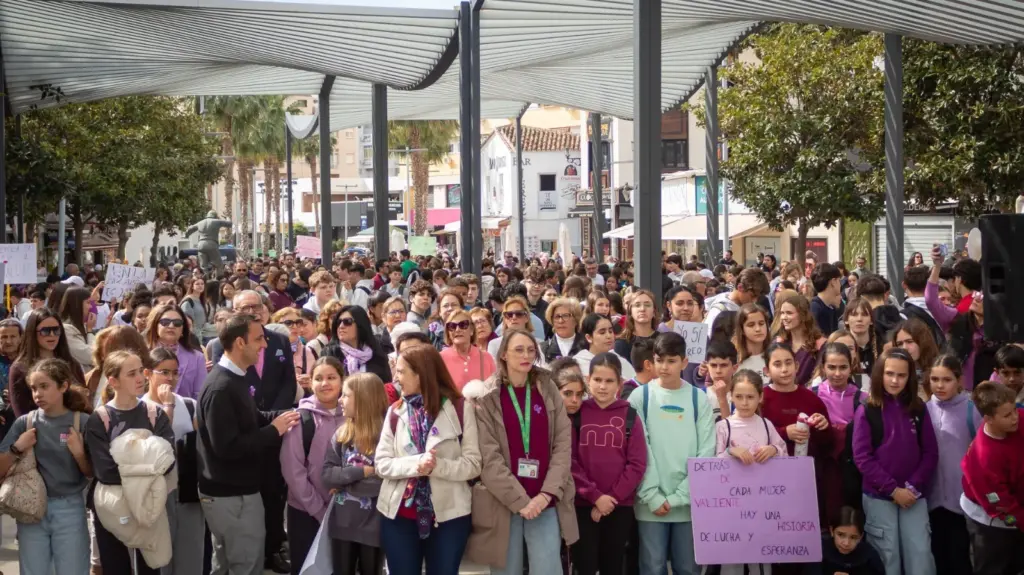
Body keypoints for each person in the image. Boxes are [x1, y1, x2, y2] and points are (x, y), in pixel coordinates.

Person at [463, 329, 578, 575]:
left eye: (530, 350)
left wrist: (545, 495)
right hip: (504, 502)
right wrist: (522, 502)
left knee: (548, 570)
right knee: (507, 570)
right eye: (518, 350)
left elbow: (562, 444)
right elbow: (489, 458)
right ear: (503, 354)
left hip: (544, 500)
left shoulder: (547, 388)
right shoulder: (487, 397)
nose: (526, 355)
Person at [197, 314, 301, 575]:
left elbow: (252, 419)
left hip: (233, 494)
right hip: (232, 496)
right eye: (258, 339)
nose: (264, 345)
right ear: (240, 343)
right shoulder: (221, 387)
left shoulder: (235, 378)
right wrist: (273, 432)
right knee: (246, 566)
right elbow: (228, 448)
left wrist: (284, 417)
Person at [376, 345, 481, 575]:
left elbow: (473, 464)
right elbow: (382, 463)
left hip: (449, 517)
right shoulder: (395, 411)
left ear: (420, 373)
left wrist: (436, 467)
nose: (396, 378)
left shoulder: (461, 409)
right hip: (399, 517)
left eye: (402, 371)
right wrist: (417, 464)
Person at [628, 332, 713, 575]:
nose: (664, 367)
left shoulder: (699, 399)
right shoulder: (640, 396)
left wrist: (678, 497)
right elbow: (638, 452)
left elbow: (705, 452)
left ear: (684, 362)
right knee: (653, 568)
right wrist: (653, 496)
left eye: (671, 360)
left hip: (688, 505)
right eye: (659, 360)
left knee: (688, 568)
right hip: (650, 503)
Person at [84, 350, 175, 575]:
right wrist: (147, 464)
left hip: (149, 505)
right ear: (113, 381)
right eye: (131, 373)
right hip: (112, 508)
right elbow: (105, 471)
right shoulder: (100, 419)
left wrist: (130, 462)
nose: (141, 378)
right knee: (115, 567)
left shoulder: (156, 414)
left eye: (141, 372)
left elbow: (167, 461)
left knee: (150, 568)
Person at [0, 358, 91, 575]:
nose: (38, 394)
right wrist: (17, 447)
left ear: (63, 386)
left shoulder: (82, 422)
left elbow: (91, 472)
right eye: (33, 388)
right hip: (31, 508)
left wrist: (78, 453)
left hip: (70, 508)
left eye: (44, 386)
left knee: (73, 569)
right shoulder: (25, 422)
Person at [851, 348, 938, 575]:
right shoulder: (867, 409)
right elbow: (862, 457)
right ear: (880, 374)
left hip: (913, 496)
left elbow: (930, 453)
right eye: (890, 373)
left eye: (902, 375)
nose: (895, 380)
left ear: (910, 377)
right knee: (885, 557)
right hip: (879, 496)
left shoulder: (918, 407)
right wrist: (892, 489)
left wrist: (912, 487)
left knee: (919, 555)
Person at [570, 352, 646, 575]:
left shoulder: (629, 415)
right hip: (583, 506)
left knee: (612, 565)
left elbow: (637, 464)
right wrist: (595, 497)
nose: (602, 386)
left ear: (620, 384)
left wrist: (610, 499)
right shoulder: (577, 414)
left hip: (618, 506)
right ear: (588, 380)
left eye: (609, 381)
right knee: (585, 565)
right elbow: (570, 461)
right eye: (597, 380)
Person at [713, 369, 787, 575]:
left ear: (760, 397)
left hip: (762, 505)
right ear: (730, 396)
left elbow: (786, 460)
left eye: (750, 397)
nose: (744, 402)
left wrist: (774, 449)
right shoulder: (723, 427)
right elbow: (710, 466)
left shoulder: (766, 425)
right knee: (732, 559)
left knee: (761, 559)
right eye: (739, 397)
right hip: (730, 506)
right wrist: (729, 451)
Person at [140, 347, 204, 575]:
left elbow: (200, 443)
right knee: (161, 561)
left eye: (175, 372)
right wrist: (168, 406)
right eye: (164, 372)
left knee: (191, 558)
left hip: (187, 490)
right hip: (156, 492)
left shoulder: (189, 404)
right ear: (147, 374)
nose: (171, 378)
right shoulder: (139, 408)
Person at [280, 356, 347, 574]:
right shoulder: (301, 419)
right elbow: (293, 471)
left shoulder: (352, 417)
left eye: (331, 377)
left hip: (344, 511)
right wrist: (318, 508)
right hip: (305, 512)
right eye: (318, 378)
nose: (325, 383)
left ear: (342, 381)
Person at [322, 371, 389, 575]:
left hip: (373, 526)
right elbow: (327, 475)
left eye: (346, 395)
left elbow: (383, 481)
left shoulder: (386, 436)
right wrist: (362, 472)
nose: (340, 400)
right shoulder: (342, 434)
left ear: (363, 399)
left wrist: (345, 481)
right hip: (342, 525)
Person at [959, 381, 1024, 575]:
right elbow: (1001, 506)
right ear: (988, 419)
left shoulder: (1019, 420)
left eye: (1014, 410)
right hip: (990, 521)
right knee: (995, 567)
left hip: (1016, 509)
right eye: (1007, 415)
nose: (1015, 417)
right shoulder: (984, 458)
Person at [922, 355, 974, 575]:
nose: (940, 385)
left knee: (960, 559)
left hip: (962, 503)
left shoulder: (973, 410)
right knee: (937, 559)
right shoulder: (923, 410)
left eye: (947, 379)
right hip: (930, 500)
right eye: (934, 379)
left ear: (959, 380)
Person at [10, 309, 86, 417]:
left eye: (56, 330)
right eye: (45, 331)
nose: (52, 335)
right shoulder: (19, 368)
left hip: (73, 428)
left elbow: (84, 401)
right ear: (32, 333)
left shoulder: (72, 364)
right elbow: (21, 413)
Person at [143, 304, 207, 400]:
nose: (171, 326)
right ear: (155, 326)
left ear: (183, 329)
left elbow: (200, 396)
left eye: (177, 323)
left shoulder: (197, 358)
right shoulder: (143, 355)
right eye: (165, 322)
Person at [322, 306, 392, 384]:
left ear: (360, 324)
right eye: (338, 322)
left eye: (347, 322)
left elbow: (386, 385)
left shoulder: (376, 351)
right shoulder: (329, 353)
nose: (341, 326)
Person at [805, 506, 884, 575]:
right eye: (841, 535)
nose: (846, 543)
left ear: (861, 537)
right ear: (832, 531)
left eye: (853, 537)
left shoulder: (869, 556)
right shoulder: (820, 552)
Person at [773, 292, 826, 387]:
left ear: (803, 315)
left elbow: (818, 377)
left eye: (789, 313)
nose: (784, 317)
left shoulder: (820, 344)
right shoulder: (779, 343)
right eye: (782, 313)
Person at [440, 308, 496, 391]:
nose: (457, 329)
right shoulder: (440, 358)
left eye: (463, 325)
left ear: (472, 330)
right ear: (448, 332)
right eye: (452, 326)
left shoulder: (486, 357)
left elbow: (495, 390)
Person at [703, 268, 769, 332]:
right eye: (752, 296)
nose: (755, 301)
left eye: (758, 297)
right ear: (740, 287)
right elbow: (706, 338)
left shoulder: (746, 309)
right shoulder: (719, 311)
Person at [573, 314, 636, 379]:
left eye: (610, 331)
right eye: (602, 332)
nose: (608, 336)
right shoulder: (578, 364)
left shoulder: (619, 360)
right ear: (589, 337)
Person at [614, 289, 659, 361]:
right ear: (630, 312)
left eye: (647, 305)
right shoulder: (621, 344)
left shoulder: (663, 340)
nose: (642, 309)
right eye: (637, 305)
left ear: (654, 311)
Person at [59, 286, 97, 370]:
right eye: (88, 302)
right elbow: (91, 356)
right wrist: (89, 331)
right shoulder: (66, 329)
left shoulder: (81, 325)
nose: (90, 307)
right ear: (76, 304)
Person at [543, 297, 584, 363]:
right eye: (557, 316)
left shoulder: (587, 345)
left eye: (565, 316)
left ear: (576, 319)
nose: (561, 321)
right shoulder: (543, 349)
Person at [732, 304, 769, 376]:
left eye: (761, 323)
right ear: (742, 330)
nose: (758, 329)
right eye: (751, 325)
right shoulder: (733, 359)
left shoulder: (775, 355)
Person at [809, 263, 844, 337]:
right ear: (833, 282)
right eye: (839, 280)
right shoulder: (815, 307)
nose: (840, 284)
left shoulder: (831, 308)